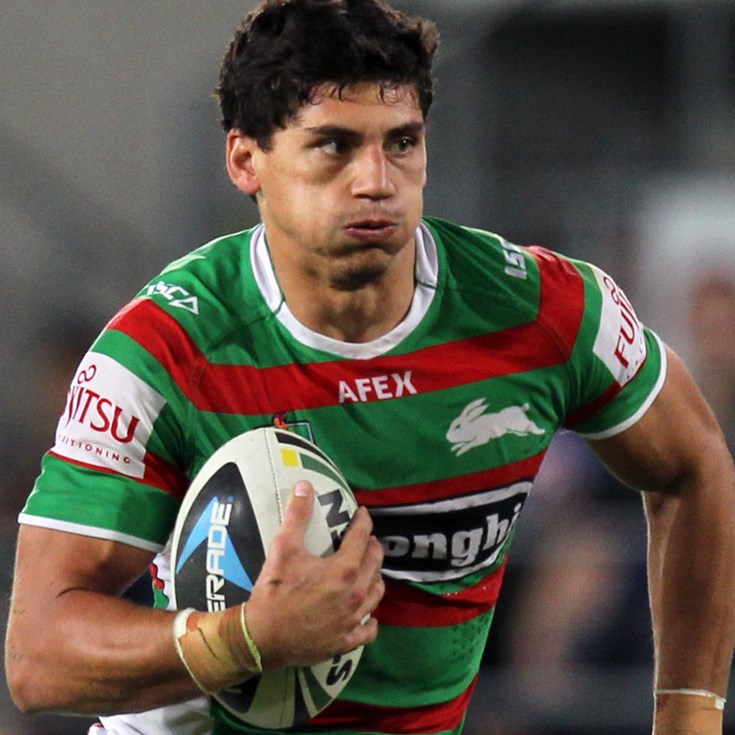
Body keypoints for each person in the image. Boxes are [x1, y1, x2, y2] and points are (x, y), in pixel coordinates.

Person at [5, 1, 735, 734]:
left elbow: (695, 465)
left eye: (402, 142)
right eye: (335, 145)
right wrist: (247, 638)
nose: (377, 180)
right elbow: (37, 656)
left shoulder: (543, 312)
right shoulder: (164, 351)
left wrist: (688, 714)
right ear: (245, 160)